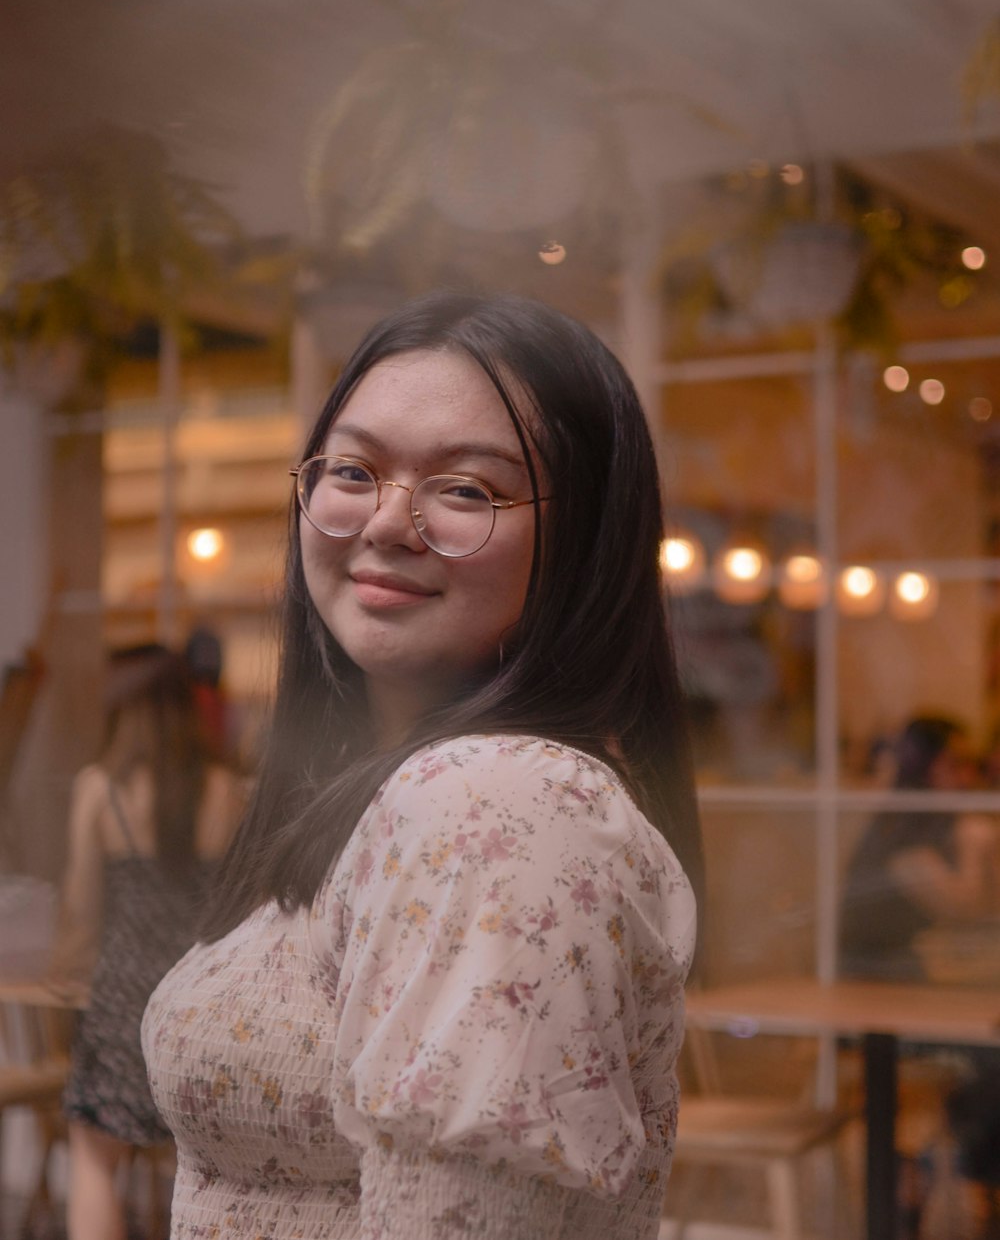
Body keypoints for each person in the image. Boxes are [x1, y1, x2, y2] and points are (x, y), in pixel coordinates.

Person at [142, 292, 702, 1240]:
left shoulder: (501, 800)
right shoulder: (375, 789)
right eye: (354, 469)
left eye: (468, 490)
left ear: (587, 544)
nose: (389, 522)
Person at [50, 644, 244, 1240]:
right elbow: (243, 910)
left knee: (94, 1160)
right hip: (202, 1001)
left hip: (121, 1002)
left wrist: (68, 989)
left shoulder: (99, 788)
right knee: (206, 1169)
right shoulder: (230, 788)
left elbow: (82, 913)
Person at [840, 714, 998, 982]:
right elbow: (964, 912)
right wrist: (977, 843)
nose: (967, 777)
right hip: (876, 981)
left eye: (971, 764)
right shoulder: (902, 838)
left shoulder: (939, 826)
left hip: (914, 974)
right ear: (922, 769)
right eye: (955, 764)